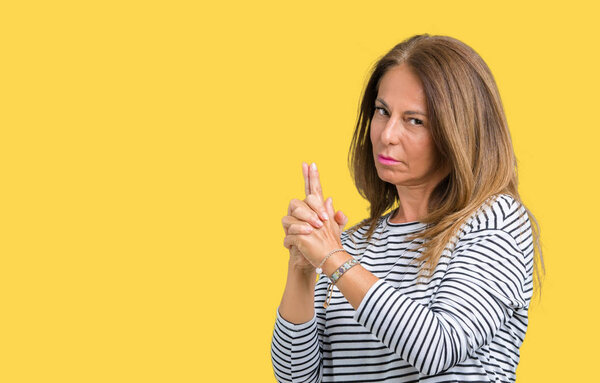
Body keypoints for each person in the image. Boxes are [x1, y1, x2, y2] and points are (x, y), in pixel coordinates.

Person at [271, 34, 544, 383]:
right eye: (383, 112)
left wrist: (334, 260)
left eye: (414, 120)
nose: (387, 134)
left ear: (458, 133)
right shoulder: (352, 243)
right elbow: (297, 378)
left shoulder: (496, 221)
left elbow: (438, 347)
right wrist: (303, 270)